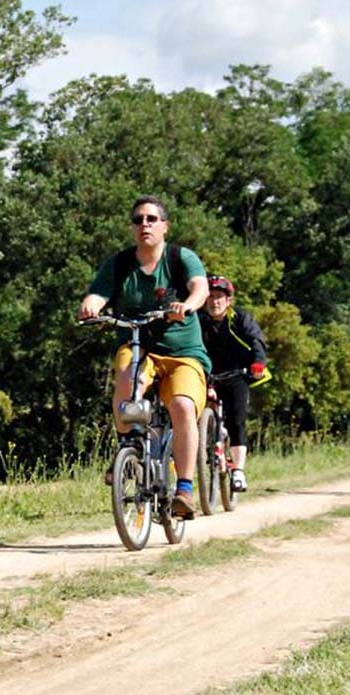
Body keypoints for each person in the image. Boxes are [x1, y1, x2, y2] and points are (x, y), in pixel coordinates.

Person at [78, 195, 210, 519]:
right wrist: (91, 304)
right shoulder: (121, 264)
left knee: (182, 406)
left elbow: (200, 288)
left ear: (165, 226)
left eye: (152, 219)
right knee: (127, 378)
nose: (144, 225)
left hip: (182, 351)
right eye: (138, 220)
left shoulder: (181, 258)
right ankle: (128, 444)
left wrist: (188, 305)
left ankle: (184, 489)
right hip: (139, 346)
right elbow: (99, 292)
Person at [199, 275, 269, 493]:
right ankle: (204, 445)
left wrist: (258, 363)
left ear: (228, 301)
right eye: (210, 296)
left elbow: (256, 340)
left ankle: (238, 471)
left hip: (237, 374)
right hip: (206, 375)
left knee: (236, 420)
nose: (214, 301)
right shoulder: (198, 320)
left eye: (219, 297)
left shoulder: (240, 318)